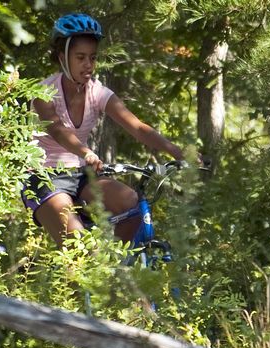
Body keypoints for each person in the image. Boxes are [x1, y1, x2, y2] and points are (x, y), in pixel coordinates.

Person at [22, 13, 185, 246]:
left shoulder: (96, 92)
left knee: (131, 203)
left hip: (81, 175)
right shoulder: (43, 93)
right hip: (44, 177)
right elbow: (57, 130)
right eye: (80, 57)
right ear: (62, 57)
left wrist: (177, 151)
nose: (88, 64)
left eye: (92, 57)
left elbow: (137, 126)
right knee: (79, 249)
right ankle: (90, 272)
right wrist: (85, 152)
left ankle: (116, 272)